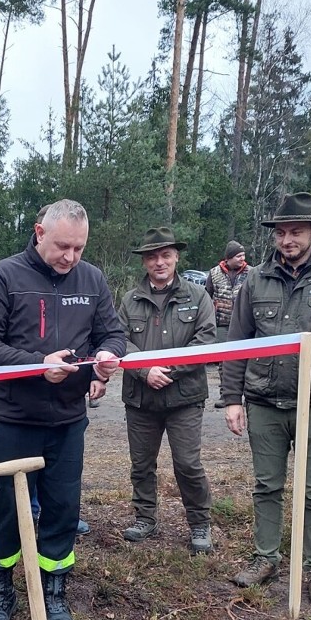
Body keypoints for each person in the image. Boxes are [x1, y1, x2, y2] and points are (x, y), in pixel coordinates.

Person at [0, 198, 125, 620]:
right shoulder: (3, 276)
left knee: (62, 507)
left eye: (78, 248)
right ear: (39, 233)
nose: (70, 257)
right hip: (15, 419)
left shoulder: (91, 278)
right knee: (3, 509)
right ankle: (0, 590)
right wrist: (38, 364)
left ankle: (54, 591)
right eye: (62, 247)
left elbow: (112, 331)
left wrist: (111, 353)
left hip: (69, 421)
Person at [221, 193, 311, 608]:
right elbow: (237, 342)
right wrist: (232, 398)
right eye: (282, 232)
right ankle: (265, 558)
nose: (287, 240)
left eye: (296, 232)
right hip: (265, 402)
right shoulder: (255, 280)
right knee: (267, 486)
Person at [118, 227, 217, 551]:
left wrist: (168, 372)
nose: (159, 262)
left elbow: (205, 339)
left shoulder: (198, 296)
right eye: (152, 256)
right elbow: (118, 341)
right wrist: (145, 371)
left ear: (176, 257)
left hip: (184, 398)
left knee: (188, 463)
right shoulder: (130, 300)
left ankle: (200, 524)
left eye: (165, 255)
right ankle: (145, 518)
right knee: (141, 464)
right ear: (145, 262)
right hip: (141, 398)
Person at [206, 240, 251, 408]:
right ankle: (226, 395)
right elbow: (206, 296)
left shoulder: (251, 273)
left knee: (247, 360)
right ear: (229, 257)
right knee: (224, 362)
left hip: (245, 323)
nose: (242, 258)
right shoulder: (214, 273)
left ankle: (248, 395)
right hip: (222, 324)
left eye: (243, 255)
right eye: (239, 255)